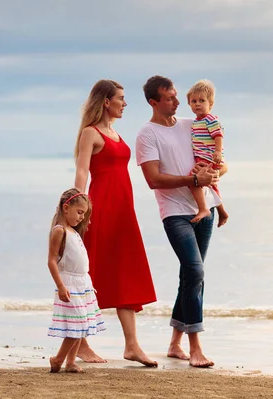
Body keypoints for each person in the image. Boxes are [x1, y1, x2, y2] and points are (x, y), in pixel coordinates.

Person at [135, 75, 227, 368]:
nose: (178, 102)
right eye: (170, 98)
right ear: (154, 102)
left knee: (190, 276)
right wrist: (192, 179)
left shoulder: (192, 124)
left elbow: (219, 161)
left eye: (177, 96)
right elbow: (153, 180)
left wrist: (218, 170)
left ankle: (175, 343)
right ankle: (196, 347)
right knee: (195, 271)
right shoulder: (147, 134)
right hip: (175, 212)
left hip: (206, 210)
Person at [73, 79, 158, 367]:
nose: (124, 103)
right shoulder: (90, 133)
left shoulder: (116, 133)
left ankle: (132, 346)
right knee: (90, 274)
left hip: (123, 211)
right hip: (100, 210)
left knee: (126, 272)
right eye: (120, 98)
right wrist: (78, 207)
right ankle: (81, 344)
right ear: (105, 101)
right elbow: (82, 171)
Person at [47, 188, 105, 373]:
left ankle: (70, 362)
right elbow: (51, 261)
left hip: (82, 283)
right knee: (77, 324)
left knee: (83, 324)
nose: (81, 217)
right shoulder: (59, 231)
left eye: (84, 214)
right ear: (66, 208)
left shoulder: (73, 231)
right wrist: (60, 286)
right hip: (69, 284)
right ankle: (57, 359)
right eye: (79, 212)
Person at [187, 79, 229, 226]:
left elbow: (218, 135)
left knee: (194, 181)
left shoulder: (210, 119)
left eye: (201, 100)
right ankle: (222, 212)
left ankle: (203, 208)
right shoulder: (196, 122)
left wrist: (217, 152)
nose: (197, 104)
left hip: (209, 158)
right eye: (193, 101)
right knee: (211, 186)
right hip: (203, 158)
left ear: (210, 104)